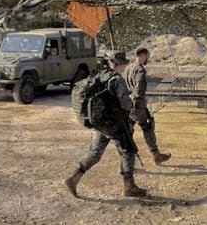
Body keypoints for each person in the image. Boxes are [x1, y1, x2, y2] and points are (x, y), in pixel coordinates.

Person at [65, 51, 147, 198]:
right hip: (113, 123)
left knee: (95, 153)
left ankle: (74, 178)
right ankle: (129, 187)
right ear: (119, 65)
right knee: (128, 151)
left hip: (99, 122)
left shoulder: (100, 74)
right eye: (123, 64)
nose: (124, 67)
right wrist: (131, 102)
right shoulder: (117, 79)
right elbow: (126, 105)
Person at [124, 47, 171, 165]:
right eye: (148, 56)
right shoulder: (140, 70)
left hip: (128, 105)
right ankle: (156, 155)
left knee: (127, 131)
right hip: (137, 106)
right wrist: (137, 100)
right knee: (148, 128)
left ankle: (125, 160)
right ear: (143, 56)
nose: (148, 59)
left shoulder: (128, 67)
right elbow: (139, 90)